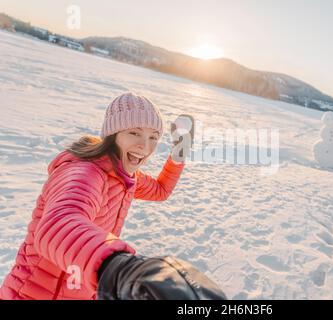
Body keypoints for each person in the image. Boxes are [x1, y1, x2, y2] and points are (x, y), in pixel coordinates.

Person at [0, 92, 226, 300]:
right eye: (134, 133)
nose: (144, 147)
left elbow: (160, 190)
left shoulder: (124, 176)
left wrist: (178, 155)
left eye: (153, 137)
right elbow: (58, 225)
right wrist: (121, 270)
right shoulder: (84, 172)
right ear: (112, 134)